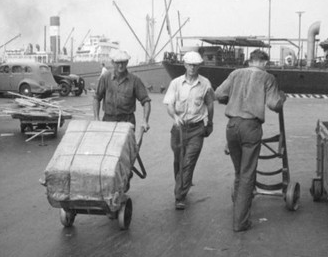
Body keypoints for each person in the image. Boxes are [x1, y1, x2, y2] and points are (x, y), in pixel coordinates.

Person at [215, 49, 286, 232]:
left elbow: (219, 94)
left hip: (231, 127)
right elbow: (273, 104)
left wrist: (233, 101)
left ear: (249, 61)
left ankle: (239, 209)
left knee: (239, 172)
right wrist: (282, 98)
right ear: (263, 63)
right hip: (250, 127)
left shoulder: (235, 73)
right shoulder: (267, 77)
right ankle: (240, 222)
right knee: (247, 174)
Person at [163, 51, 215, 210]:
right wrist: (175, 117)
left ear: (199, 66)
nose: (192, 68)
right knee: (178, 161)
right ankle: (182, 183)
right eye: (190, 64)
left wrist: (210, 123)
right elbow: (169, 104)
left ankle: (180, 195)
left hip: (196, 129)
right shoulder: (176, 83)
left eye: (195, 65)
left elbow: (210, 104)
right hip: (178, 129)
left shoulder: (205, 84)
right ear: (184, 65)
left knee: (188, 162)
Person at [93, 49, 151, 131]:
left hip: (127, 122)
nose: (120, 65)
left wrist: (145, 120)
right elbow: (96, 98)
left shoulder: (135, 80)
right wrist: (96, 118)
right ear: (112, 63)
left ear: (127, 62)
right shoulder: (105, 78)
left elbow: (146, 101)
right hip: (108, 121)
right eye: (117, 63)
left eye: (123, 62)